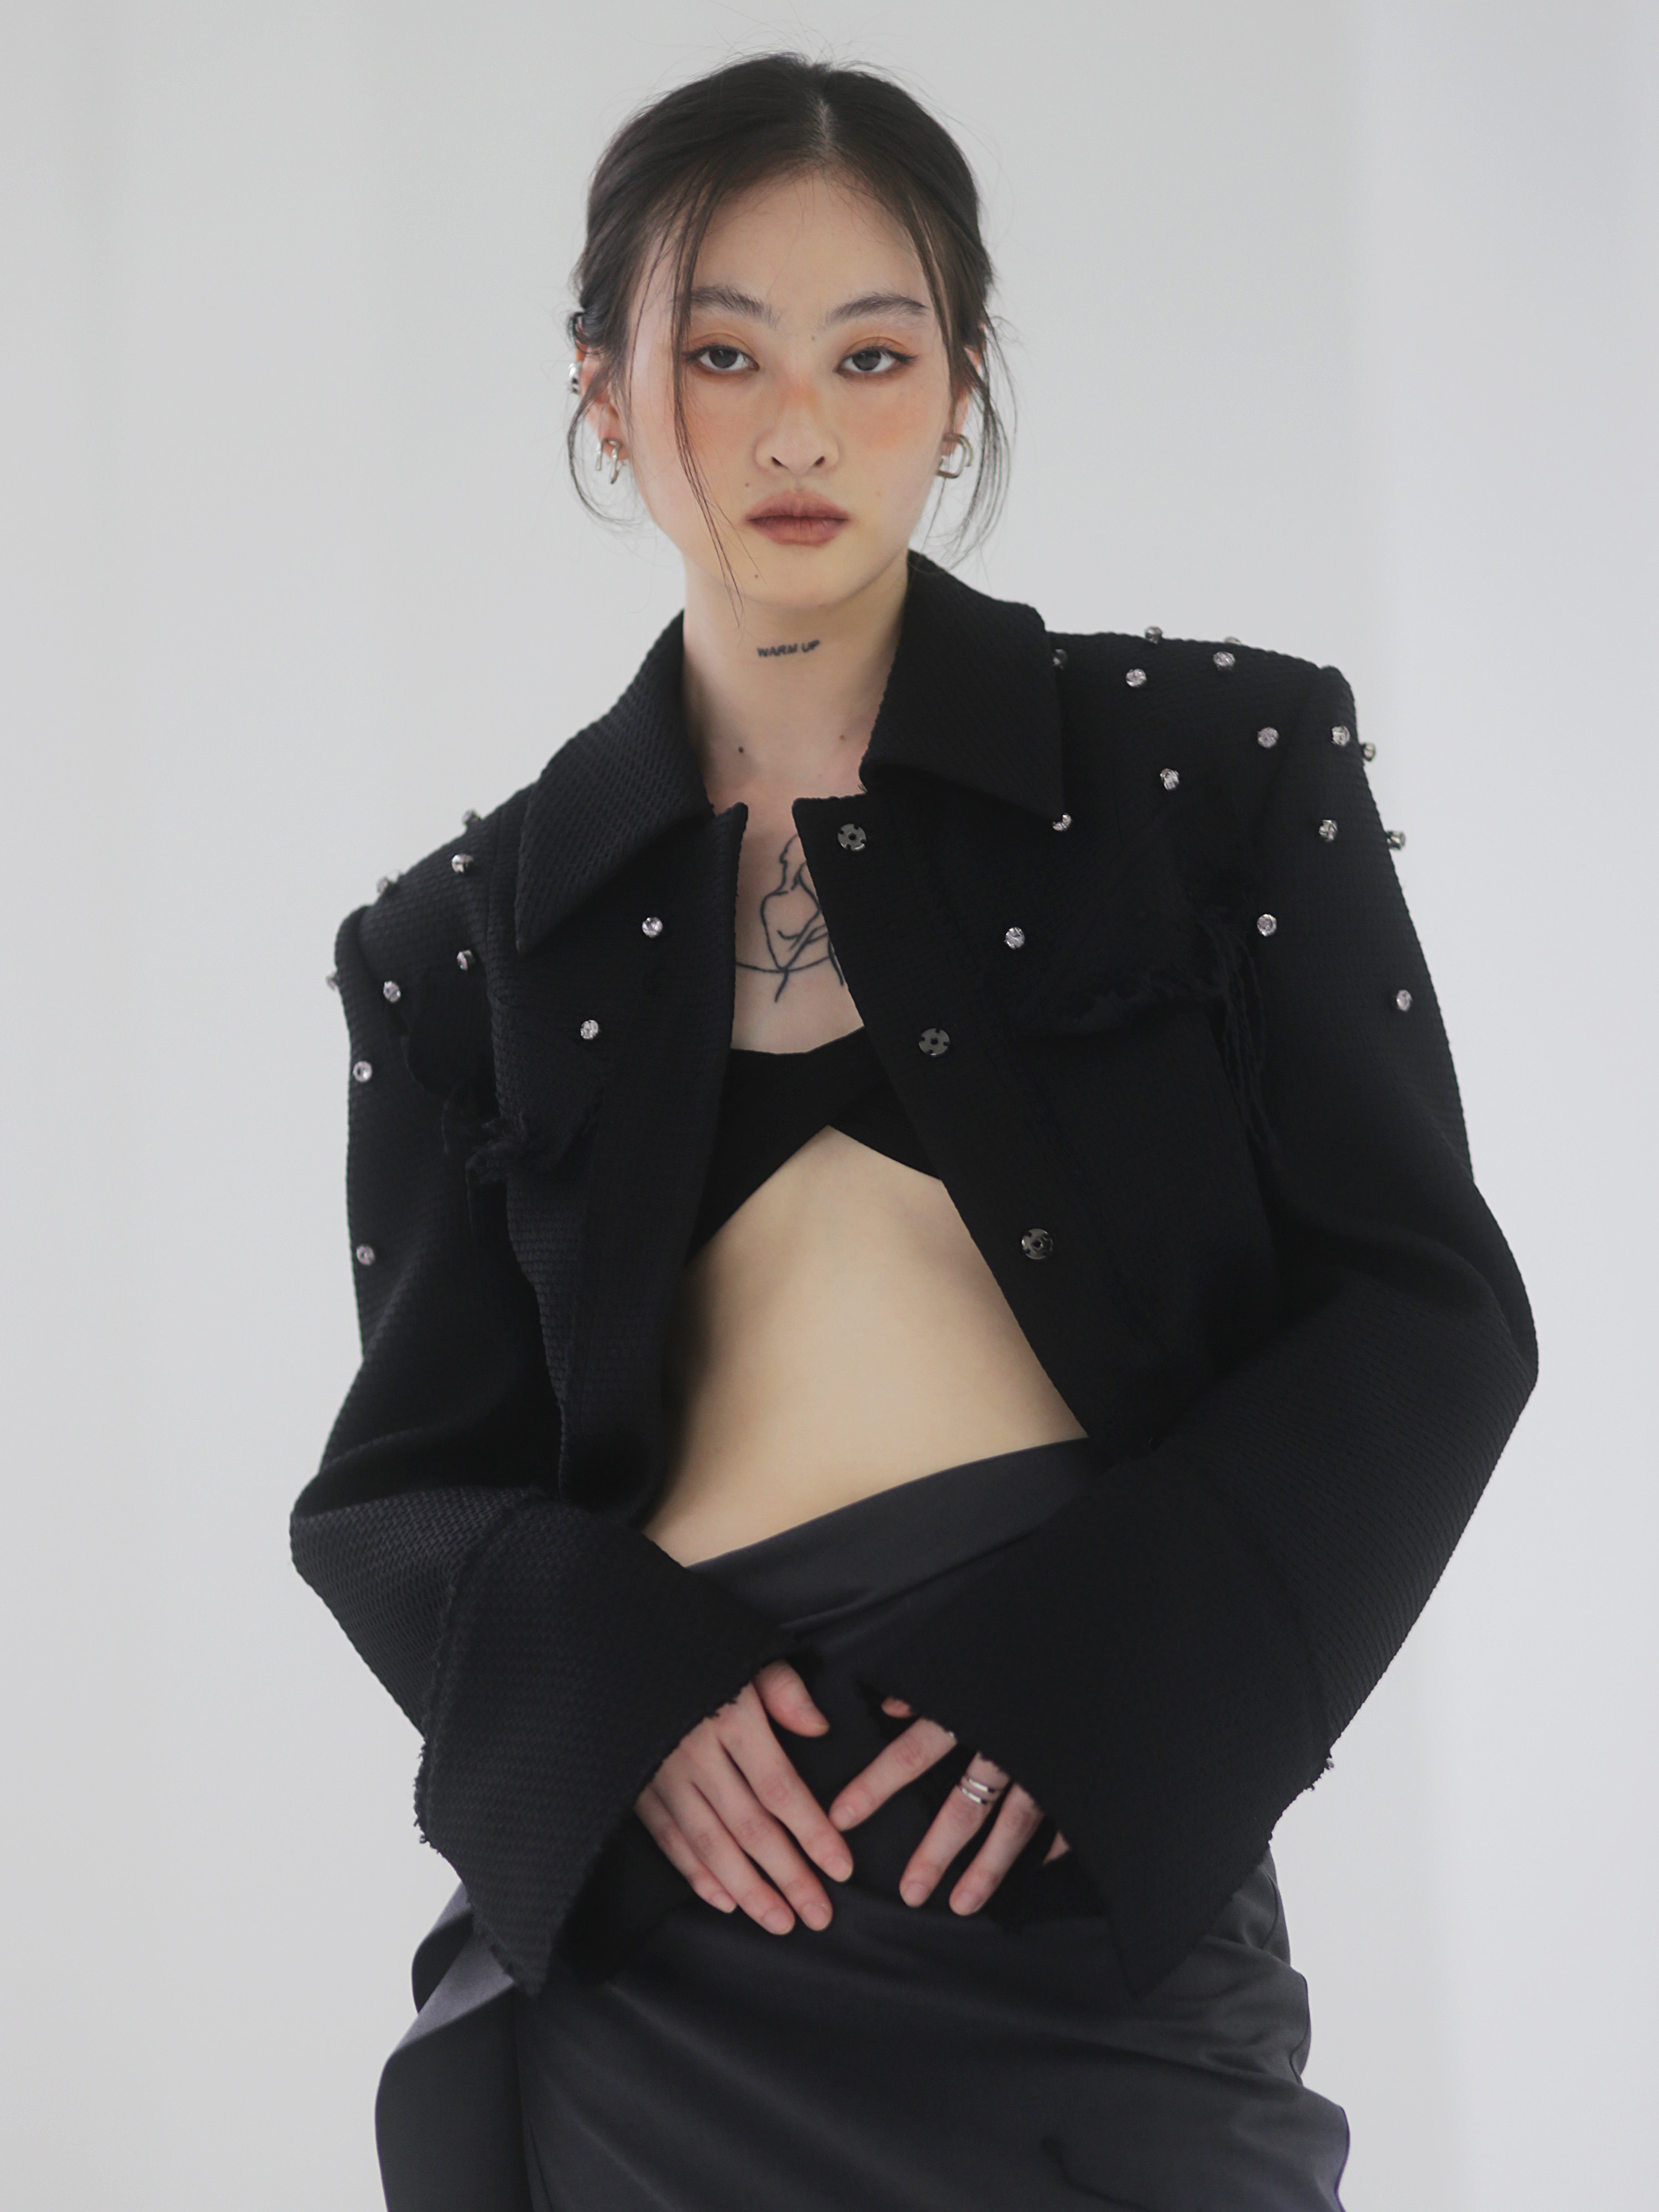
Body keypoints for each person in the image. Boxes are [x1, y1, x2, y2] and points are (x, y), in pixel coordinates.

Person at [290, 49, 1537, 2212]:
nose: (800, 429)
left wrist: (1101, 1676)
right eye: (722, 353)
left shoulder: (1219, 769)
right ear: (603, 393)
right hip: (658, 1961)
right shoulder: (450, 943)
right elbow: (402, 1491)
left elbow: (1430, 1317)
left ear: (960, 388)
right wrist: (619, 1699)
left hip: (1082, 1881)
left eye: (872, 354)